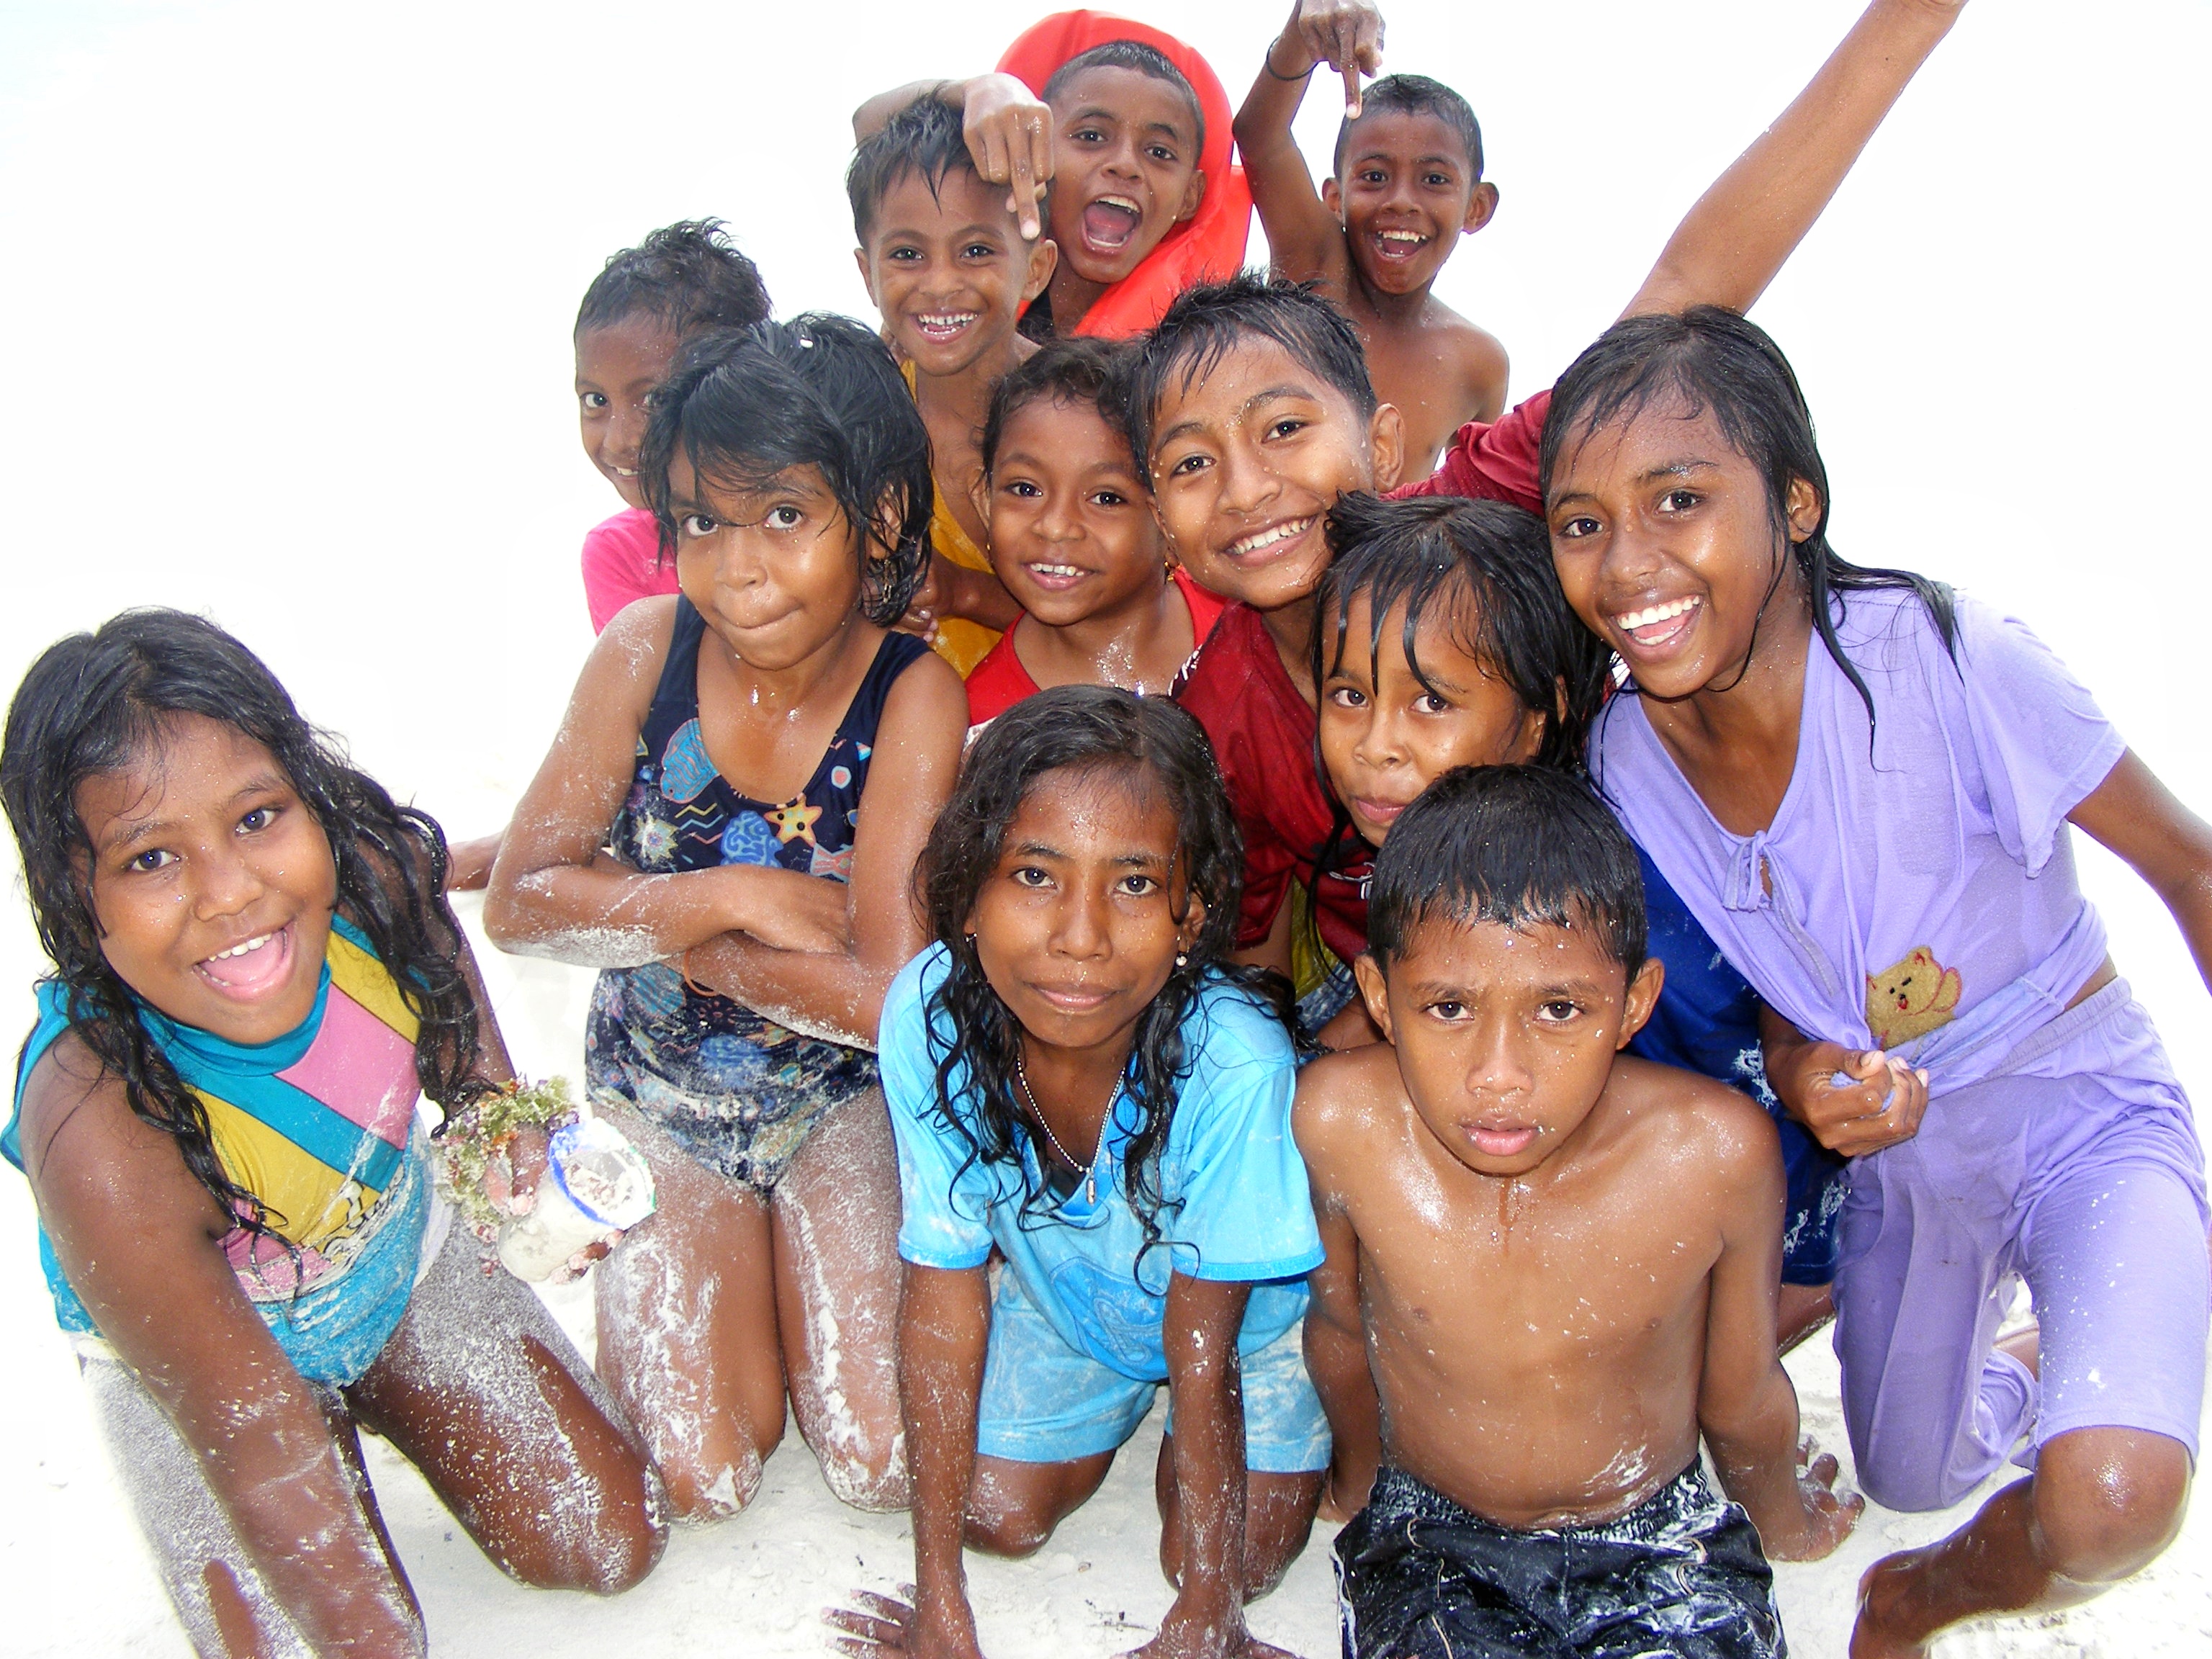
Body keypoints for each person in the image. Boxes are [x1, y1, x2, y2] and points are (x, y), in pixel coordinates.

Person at [1548, 304, 2210, 1657]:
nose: (1628, 564)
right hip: (1904, 1160)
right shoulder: (1626, 755)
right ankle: (2031, 1350)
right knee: (1911, 1469)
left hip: (2084, 1102)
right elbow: (1783, 982)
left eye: (1680, 498)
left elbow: (2192, 871)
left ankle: (1915, 1595)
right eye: (1579, 521)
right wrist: (1808, 1077)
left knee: (2107, 1501)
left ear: (1795, 502)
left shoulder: (1957, 656)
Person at [1128, 0, 1969, 1004]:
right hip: (1416, 1017)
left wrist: (1908, 24)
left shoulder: (1474, 511)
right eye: (1190, 465)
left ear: (1385, 444)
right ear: (1157, 516)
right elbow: (1248, 957)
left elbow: (1690, 283)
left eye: (1282, 431)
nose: (1247, 488)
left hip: (1644, 963)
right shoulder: (1216, 714)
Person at [0, 611, 666, 1659]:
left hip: (396, 1265)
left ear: (308, 796)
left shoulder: (374, 876)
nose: (231, 893)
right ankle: (327, 1436)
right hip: (210, 1375)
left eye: (258, 818)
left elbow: (459, 1042)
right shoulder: (98, 1126)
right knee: (354, 1642)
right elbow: (256, 1440)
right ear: (75, 904)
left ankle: (378, 1394)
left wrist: (499, 1121)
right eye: (150, 859)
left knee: (611, 1539)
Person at [484, 315, 968, 1521]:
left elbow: (882, 1001)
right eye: (702, 520)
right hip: (663, 1103)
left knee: (878, 1456)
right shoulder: (643, 652)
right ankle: (723, 1271)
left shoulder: (911, 690)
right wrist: (722, 905)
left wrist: (685, 947)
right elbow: (523, 903)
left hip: (836, 1103)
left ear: (883, 524)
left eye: (785, 517)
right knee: (702, 1472)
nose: (738, 565)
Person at [1298, 764, 1858, 1658]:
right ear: (1378, 1000)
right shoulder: (1341, 1125)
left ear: (1634, 1003)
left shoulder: (1713, 1155)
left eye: (1559, 1009)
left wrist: (1781, 1519)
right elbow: (1338, 1327)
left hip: (1657, 1530)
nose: (1499, 1074)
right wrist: (1358, 1486)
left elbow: (1742, 1389)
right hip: (1433, 1537)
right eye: (1448, 1007)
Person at [830, 687, 1326, 1659]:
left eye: (1134, 884)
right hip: (1074, 1317)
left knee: (1211, 1557)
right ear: (968, 892)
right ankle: (1108, 1418)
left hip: (1245, 1337)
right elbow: (942, 1299)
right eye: (1034, 875)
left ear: (1191, 914)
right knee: (993, 1516)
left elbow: (1203, 1346)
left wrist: (1210, 1611)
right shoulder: (929, 1018)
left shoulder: (1232, 1060)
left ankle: (1239, 1472)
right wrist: (941, 1599)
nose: (1081, 936)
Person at [1310, 492, 1845, 1342]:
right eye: (1347, 695)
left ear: (1543, 714)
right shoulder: (1450, 842)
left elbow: (1780, 1004)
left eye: (1431, 704)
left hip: (1771, 1219)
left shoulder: (1585, 888)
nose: (1375, 745)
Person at [447, 219, 773, 891]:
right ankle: (479, 855)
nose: (619, 439)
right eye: (595, 400)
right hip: (696, 799)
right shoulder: (618, 553)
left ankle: (490, 854)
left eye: (651, 399)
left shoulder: (805, 527)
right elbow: (655, 727)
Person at [853, 12, 1249, 341]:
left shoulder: (1196, 347)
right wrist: (976, 89)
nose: (1125, 165)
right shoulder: (966, 299)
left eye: (1158, 152)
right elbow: (868, 126)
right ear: (1034, 148)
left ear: (1190, 197)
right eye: (1091, 136)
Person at [1236, 1, 1509, 474]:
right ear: (1334, 198)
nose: (1401, 201)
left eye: (1435, 180)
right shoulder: (1316, 271)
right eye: (1375, 177)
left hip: (1388, 552)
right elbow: (1259, 134)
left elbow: (1475, 508)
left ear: (1477, 207)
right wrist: (1304, 32)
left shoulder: (1478, 364)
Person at [849, 94, 1047, 673]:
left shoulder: (1087, 411)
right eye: (908, 254)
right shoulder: (858, 427)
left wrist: (962, 592)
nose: (939, 284)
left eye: (977, 251)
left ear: (1037, 267)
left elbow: (1124, 612)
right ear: (867, 273)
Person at [962, 337, 1226, 731]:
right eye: (1025, 490)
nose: (1054, 526)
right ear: (985, 503)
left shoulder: (1241, 628)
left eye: (1106, 498)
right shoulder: (984, 723)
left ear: (1171, 523)